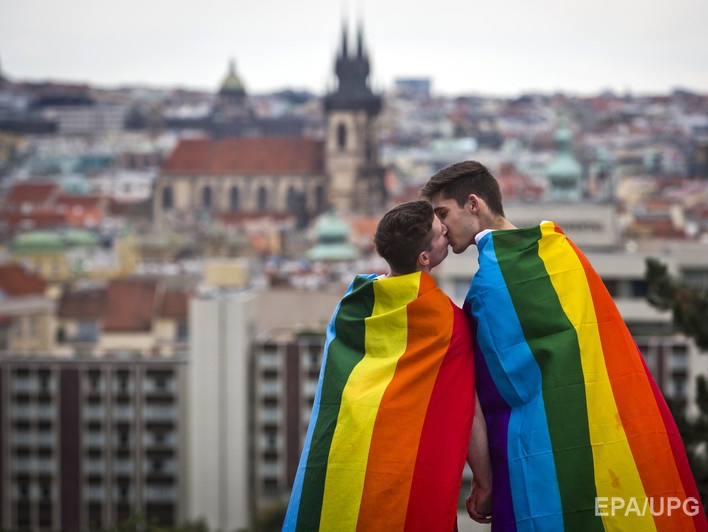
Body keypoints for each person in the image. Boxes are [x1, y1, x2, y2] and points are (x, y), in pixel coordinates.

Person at [421, 161, 708, 531]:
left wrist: (484, 477)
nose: (440, 227)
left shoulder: (489, 288)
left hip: (535, 457)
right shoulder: (561, 253)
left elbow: (478, 387)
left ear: (474, 204)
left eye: (443, 213)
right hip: (601, 434)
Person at [283, 200, 492, 531]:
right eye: (440, 232)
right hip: (404, 468)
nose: (446, 230)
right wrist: (485, 481)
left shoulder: (352, 306)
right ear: (424, 258)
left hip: (346, 464)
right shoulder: (446, 323)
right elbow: (469, 406)